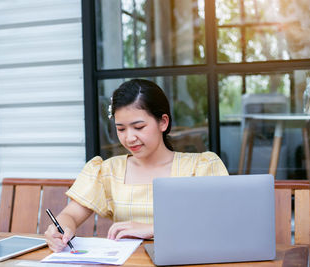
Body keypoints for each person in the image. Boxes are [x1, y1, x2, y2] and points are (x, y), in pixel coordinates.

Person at [45, 79, 228, 252]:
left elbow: (220, 221)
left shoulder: (200, 168)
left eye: (139, 127)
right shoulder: (109, 171)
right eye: (121, 129)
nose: (129, 138)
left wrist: (154, 229)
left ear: (163, 122)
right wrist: (61, 229)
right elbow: (70, 215)